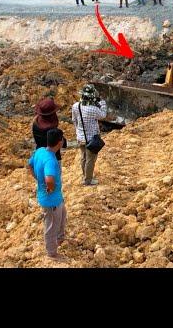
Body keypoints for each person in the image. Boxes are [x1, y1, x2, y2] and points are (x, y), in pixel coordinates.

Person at [27, 128, 66, 259]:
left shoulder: (40, 151)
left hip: (56, 198)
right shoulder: (50, 160)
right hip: (51, 201)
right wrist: (49, 188)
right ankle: (52, 254)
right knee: (51, 226)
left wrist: (38, 179)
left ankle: (60, 239)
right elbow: (49, 179)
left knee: (62, 215)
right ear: (59, 142)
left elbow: (29, 165)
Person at [71, 84, 107, 186]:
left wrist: (78, 131)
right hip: (92, 139)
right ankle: (88, 180)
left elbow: (74, 120)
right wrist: (103, 103)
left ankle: (85, 176)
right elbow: (103, 115)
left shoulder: (75, 106)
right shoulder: (93, 109)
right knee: (90, 160)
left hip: (80, 137)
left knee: (83, 157)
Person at [32, 98, 67, 163]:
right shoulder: (53, 132)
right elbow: (64, 144)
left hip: (39, 155)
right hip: (52, 158)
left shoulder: (35, 123)